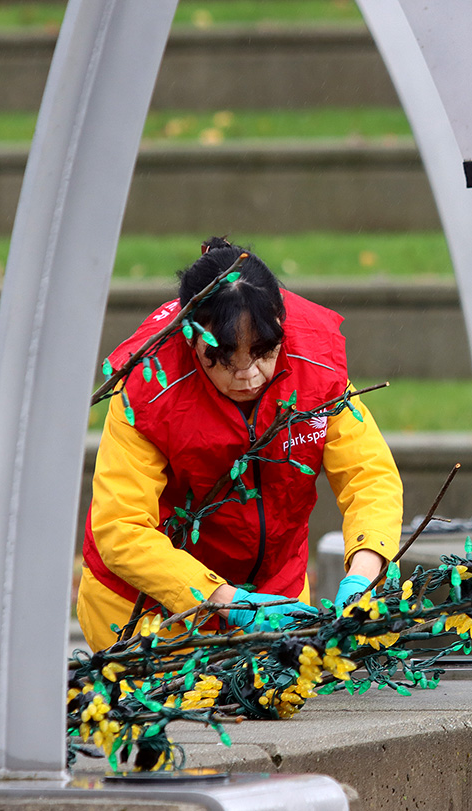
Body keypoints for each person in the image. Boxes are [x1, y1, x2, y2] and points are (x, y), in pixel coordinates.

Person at [76, 237, 403, 651]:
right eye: (226, 359)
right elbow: (120, 529)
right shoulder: (149, 390)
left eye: (264, 353)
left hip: (277, 600)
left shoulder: (316, 366)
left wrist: (363, 574)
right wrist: (226, 602)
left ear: (281, 326)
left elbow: (369, 478)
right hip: (150, 611)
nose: (249, 376)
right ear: (191, 338)